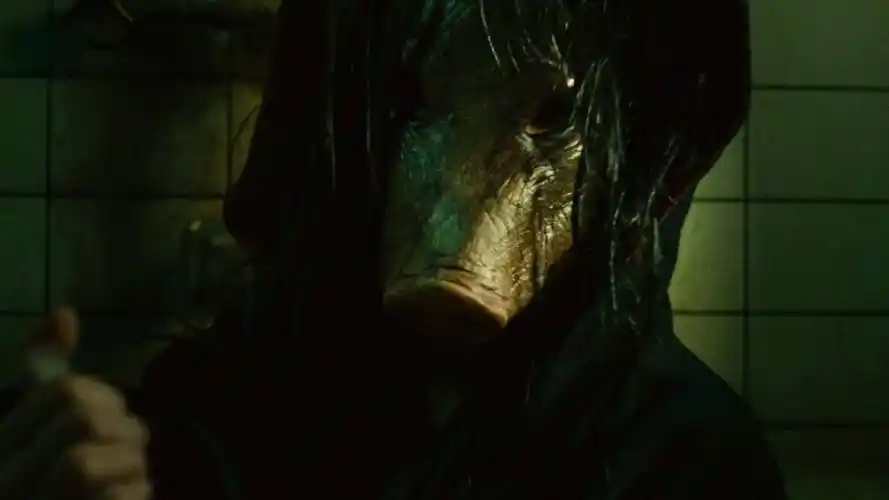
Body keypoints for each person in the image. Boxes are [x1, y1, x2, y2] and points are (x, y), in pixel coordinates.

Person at [0, 0, 788, 498]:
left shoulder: (687, 455)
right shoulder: (231, 400)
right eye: (408, 105)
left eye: (550, 117)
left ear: (640, 158)